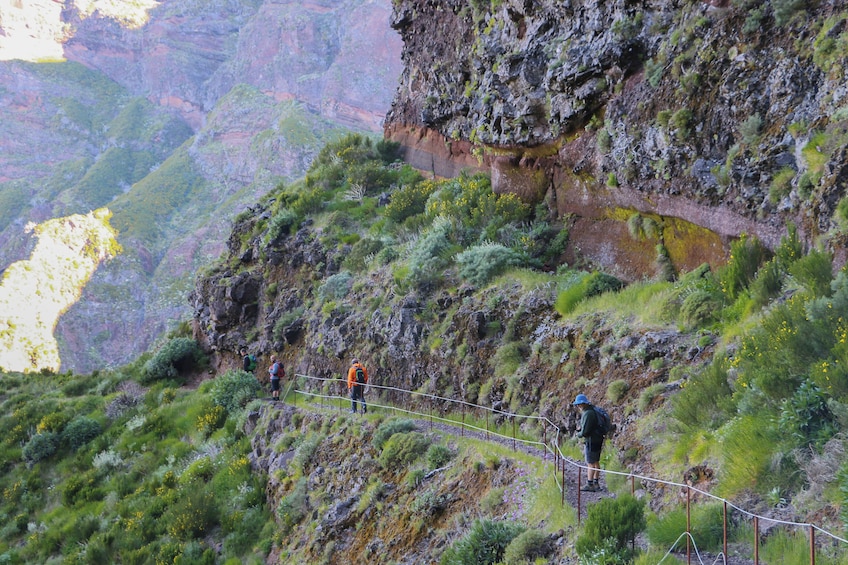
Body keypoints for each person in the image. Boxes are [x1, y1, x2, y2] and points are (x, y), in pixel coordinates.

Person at [574, 393, 604, 492]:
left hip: (591, 441)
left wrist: (579, 434)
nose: (578, 406)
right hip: (598, 439)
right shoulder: (592, 410)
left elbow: (585, 431)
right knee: (596, 462)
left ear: (583, 404)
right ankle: (596, 483)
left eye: (579, 404)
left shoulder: (588, 413)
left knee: (590, 463)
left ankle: (589, 484)